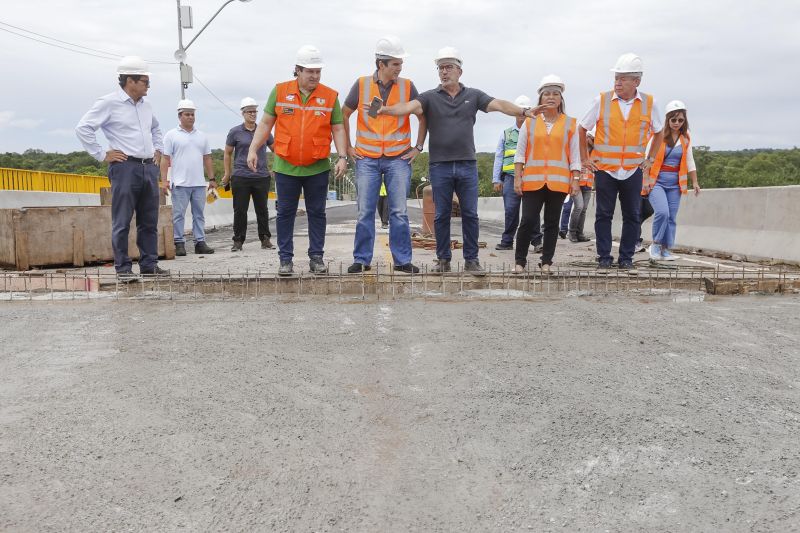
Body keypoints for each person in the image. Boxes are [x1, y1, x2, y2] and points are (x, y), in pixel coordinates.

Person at [379, 46, 543, 275]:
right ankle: (443, 259)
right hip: (439, 165)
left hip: (467, 164)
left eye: (448, 67)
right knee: (441, 214)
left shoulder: (473, 96)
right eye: (440, 68)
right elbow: (407, 107)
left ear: (459, 71)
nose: (444, 72)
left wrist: (524, 111)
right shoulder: (428, 97)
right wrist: (385, 110)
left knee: (470, 214)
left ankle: (472, 260)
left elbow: (500, 105)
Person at [247, 45, 348, 276]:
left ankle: (316, 257)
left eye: (318, 71)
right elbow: (265, 124)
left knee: (317, 213)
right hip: (286, 165)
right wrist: (253, 149)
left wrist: (342, 156)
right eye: (309, 71)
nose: (314, 76)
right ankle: (285, 259)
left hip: (317, 166)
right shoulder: (280, 92)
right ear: (298, 70)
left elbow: (338, 128)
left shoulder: (330, 96)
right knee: (285, 213)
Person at [75, 56, 166, 281]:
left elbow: (156, 128)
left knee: (149, 220)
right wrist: (101, 154)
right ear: (130, 81)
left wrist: (158, 148)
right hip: (125, 168)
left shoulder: (147, 106)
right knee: (122, 220)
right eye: (144, 80)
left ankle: (149, 265)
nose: (148, 85)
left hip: (148, 168)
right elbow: (83, 128)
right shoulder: (109, 103)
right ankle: (123, 269)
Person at [342, 35, 426, 274]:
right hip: (366, 158)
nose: (400, 68)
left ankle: (402, 261)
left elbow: (422, 115)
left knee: (399, 211)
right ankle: (361, 259)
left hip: (398, 158)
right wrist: (347, 147)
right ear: (381, 64)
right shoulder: (361, 85)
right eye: (395, 64)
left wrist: (418, 146)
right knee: (365, 211)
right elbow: (344, 114)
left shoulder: (408, 86)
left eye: (400, 64)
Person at [578, 52, 664, 272]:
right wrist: (585, 159)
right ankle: (604, 257)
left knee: (632, 215)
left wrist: (650, 159)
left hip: (632, 170)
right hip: (605, 169)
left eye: (623, 78)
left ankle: (626, 258)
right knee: (603, 215)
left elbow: (659, 132)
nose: (618, 82)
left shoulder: (649, 103)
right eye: (616, 77)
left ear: (636, 81)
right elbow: (582, 128)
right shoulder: (601, 100)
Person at [513, 75, 581, 275]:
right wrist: (518, 178)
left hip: (558, 183)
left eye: (555, 94)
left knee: (552, 223)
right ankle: (520, 262)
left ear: (561, 99)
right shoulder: (529, 122)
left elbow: (575, 156)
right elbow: (520, 154)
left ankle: (546, 263)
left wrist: (575, 180)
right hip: (532, 182)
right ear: (540, 99)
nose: (551, 97)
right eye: (547, 94)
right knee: (527, 221)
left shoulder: (571, 124)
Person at [645, 100, 701, 261]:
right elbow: (647, 158)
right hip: (657, 182)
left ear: (684, 121)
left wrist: (695, 182)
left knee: (671, 217)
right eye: (674, 119)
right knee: (662, 213)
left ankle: (665, 249)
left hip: (675, 185)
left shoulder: (685, 139)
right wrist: (646, 179)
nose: (677, 123)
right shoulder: (659, 136)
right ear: (668, 120)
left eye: (680, 120)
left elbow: (690, 161)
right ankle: (655, 245)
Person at [161, 99, 216, 256]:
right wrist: (164, 180)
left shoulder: (202, 136)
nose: (191, 117)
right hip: (180, 183)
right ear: (180, 116)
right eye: (187, 114)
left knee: (199, 214)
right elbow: (165, 159)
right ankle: (179, 242)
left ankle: (200, 241)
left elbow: (207, 158)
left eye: (192, 114)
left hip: (198, 183)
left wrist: (212, 179)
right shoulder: (171, 135)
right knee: (179, 214)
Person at [222, 97, 275, 252]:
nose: (253, 114)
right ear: (243, 113)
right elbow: (227, 153)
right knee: (240, 210)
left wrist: (275, 168)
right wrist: (227, 173)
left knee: (262, 209)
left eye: (254, 111)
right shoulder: (235, 132)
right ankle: (238, 241)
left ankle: (265, 239)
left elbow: (276, 150)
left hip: (261, 177)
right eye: (249, 111)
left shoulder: (264, 131)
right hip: (241, 176)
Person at [492, 95, 543, 253]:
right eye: (520, 111)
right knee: (511, 211)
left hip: (531, 177)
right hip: (510, 177)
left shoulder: (537, 132)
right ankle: (507, 241)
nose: (522, 115)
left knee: (532, 211)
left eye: (525, 111)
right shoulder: (506, 134)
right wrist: (496, 179)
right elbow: (499, 156)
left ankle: (537, 242)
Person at [567, 132, 595, 242]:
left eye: (591, 137)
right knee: (579, 207)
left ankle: (580, 233)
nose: (589, 138)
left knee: (583, 209)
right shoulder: (577, 150)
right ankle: (572, 232)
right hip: (577, 183)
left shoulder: (594, 152)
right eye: (587, 136)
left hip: (588, 184)